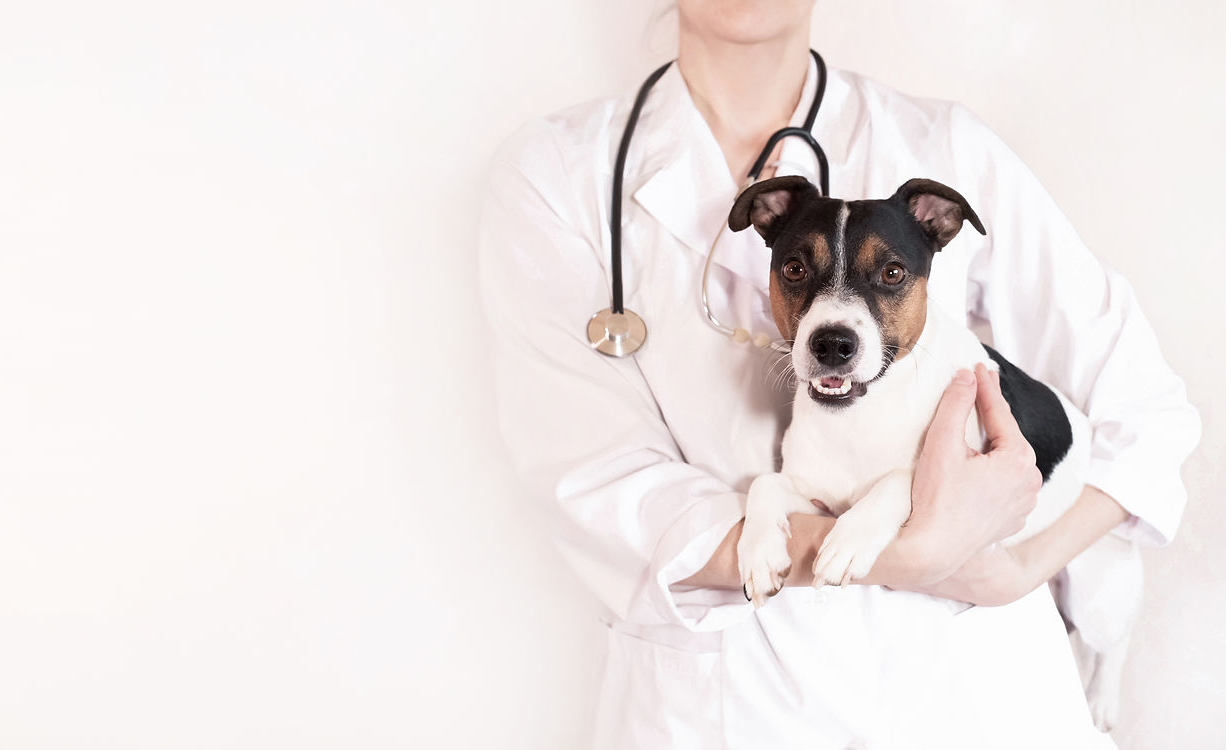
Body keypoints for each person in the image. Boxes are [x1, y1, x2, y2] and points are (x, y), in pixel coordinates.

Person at [476, 2, 1201, 748]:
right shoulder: (559, 175)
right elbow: (595, 479)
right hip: (725, 708)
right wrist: (903, 553)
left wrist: (1010, 568)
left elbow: (1145, 414)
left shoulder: (945, 147)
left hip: (972, 695)